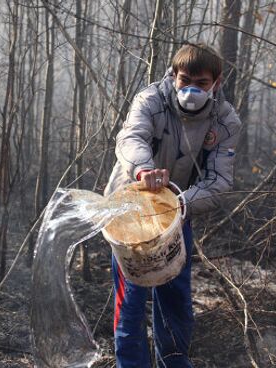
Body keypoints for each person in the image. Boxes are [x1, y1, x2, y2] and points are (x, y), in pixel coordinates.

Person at [104, 43, 242, 367]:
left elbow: (219, 180)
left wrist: (181, 204)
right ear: (173, 76)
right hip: (130, 211)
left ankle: (175, 362)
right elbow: (130, 138)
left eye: (202, 83)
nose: (191, 89)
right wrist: (144, 170)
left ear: (216, 83)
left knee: (175, 301)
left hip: (178, 213)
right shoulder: (150, 101)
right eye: (184, 80)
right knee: (131, 304)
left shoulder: (225, 121)